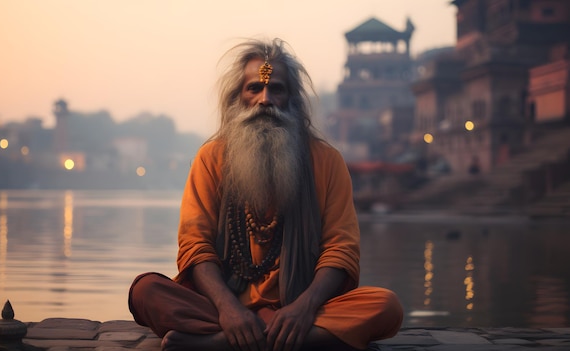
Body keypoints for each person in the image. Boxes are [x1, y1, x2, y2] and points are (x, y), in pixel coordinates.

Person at [128, 38, 403, 351]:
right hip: (222, 307)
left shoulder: (326, 161)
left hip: (298, 307)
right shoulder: (211, 158)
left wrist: (304, 308)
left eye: (277, 89)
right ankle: (294, 340)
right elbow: (195, 244)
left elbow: (341, 246)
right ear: (238, 97)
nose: (265, 99)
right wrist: (228, 309)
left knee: (386, 306)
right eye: (254, 89)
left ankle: (218, 344)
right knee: (146, 291)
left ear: (292, 99)